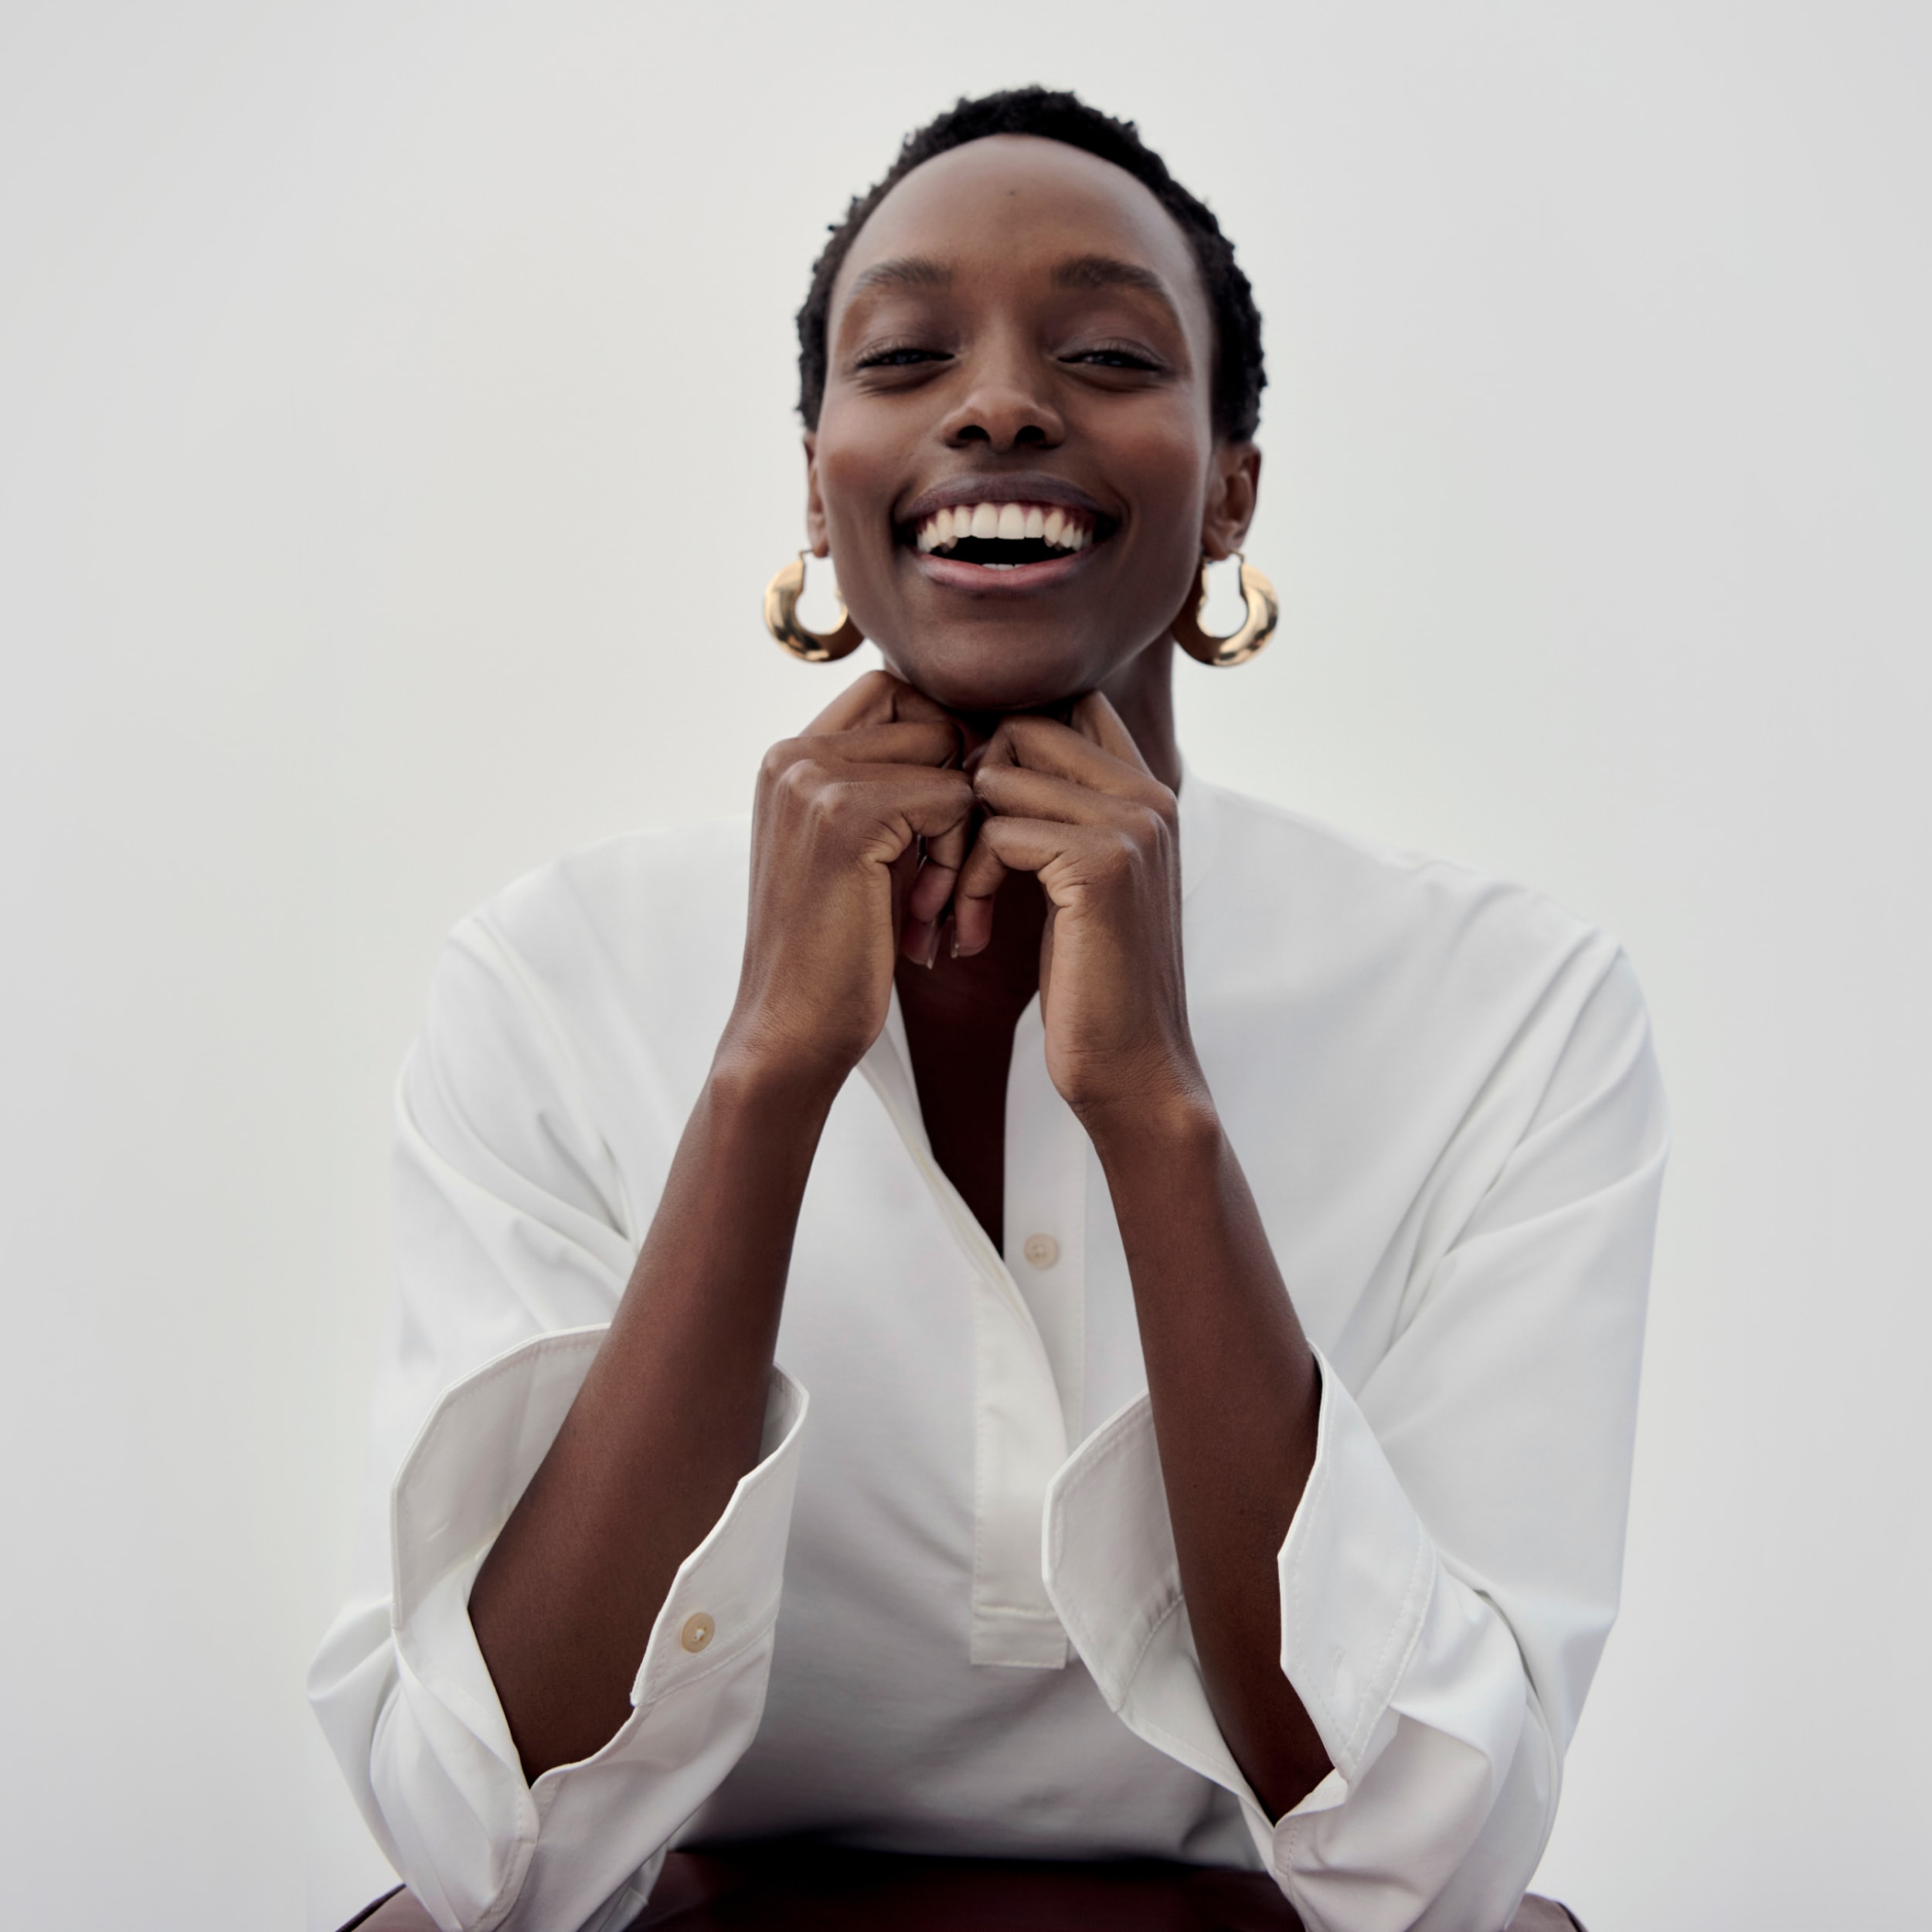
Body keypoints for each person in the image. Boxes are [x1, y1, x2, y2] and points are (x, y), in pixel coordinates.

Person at [310, 88, 1665, 1932]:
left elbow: (1429, 1861)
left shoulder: (1513, 1012)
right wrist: (762, 1078)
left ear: (1229, 487)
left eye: (1107, 350)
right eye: (904, 354)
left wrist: (1151, 1103)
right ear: (818, 477)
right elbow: (489, 1850)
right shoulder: (551, 977)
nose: (1000, 402)